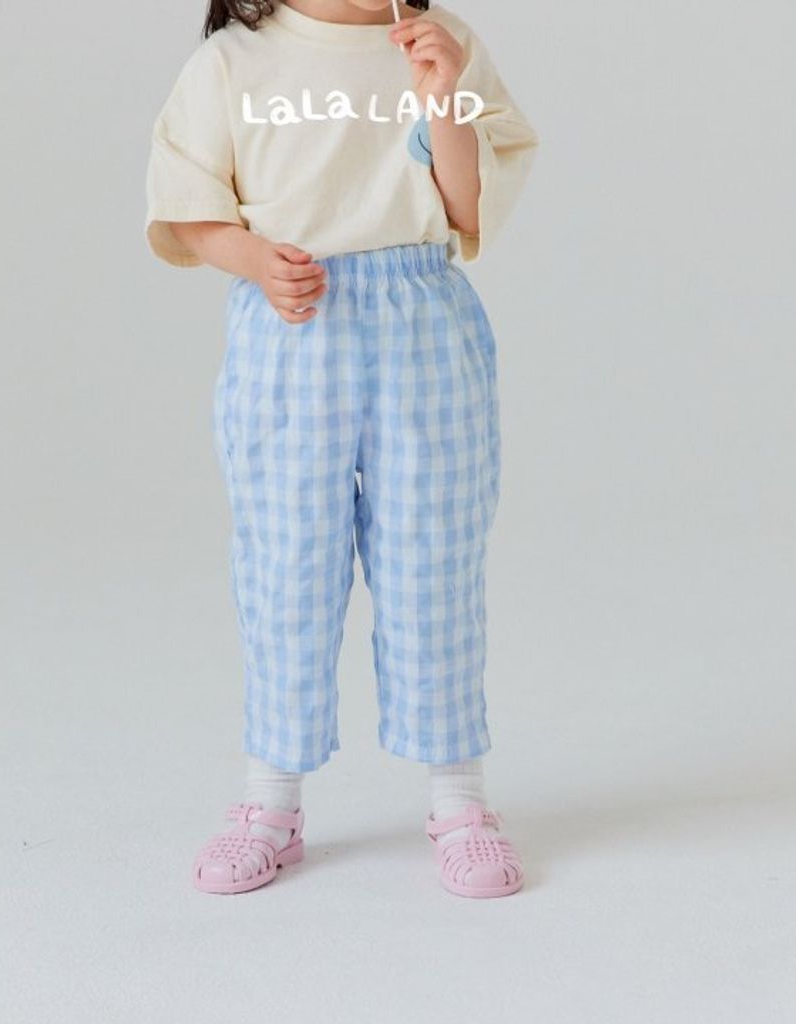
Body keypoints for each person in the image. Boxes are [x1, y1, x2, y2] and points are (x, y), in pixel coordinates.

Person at [144, 0, 539, 898]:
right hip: (292, 329)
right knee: (287, 566)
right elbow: (187, 203)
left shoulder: (443, 46)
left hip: (422, 320)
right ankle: (270, 803)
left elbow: (468, 208)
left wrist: (445, 99)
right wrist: (253, 259)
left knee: (434, 562)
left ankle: (460, 801)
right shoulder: (233, 62)